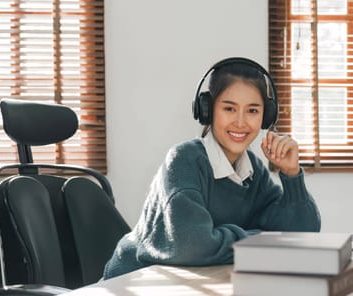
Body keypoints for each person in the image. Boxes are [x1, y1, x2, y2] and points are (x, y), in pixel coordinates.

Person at [103, 57, 321, 279]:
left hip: (187, 282)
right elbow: (192, 245)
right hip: (134, 282)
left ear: (266, 117)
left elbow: (303, 234)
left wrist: (292, 175)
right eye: (229, 108)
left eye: (253, 111)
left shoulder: (252, 170)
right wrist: (263, 239)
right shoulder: (184, 160)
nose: (240, 122)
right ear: (207, 110)